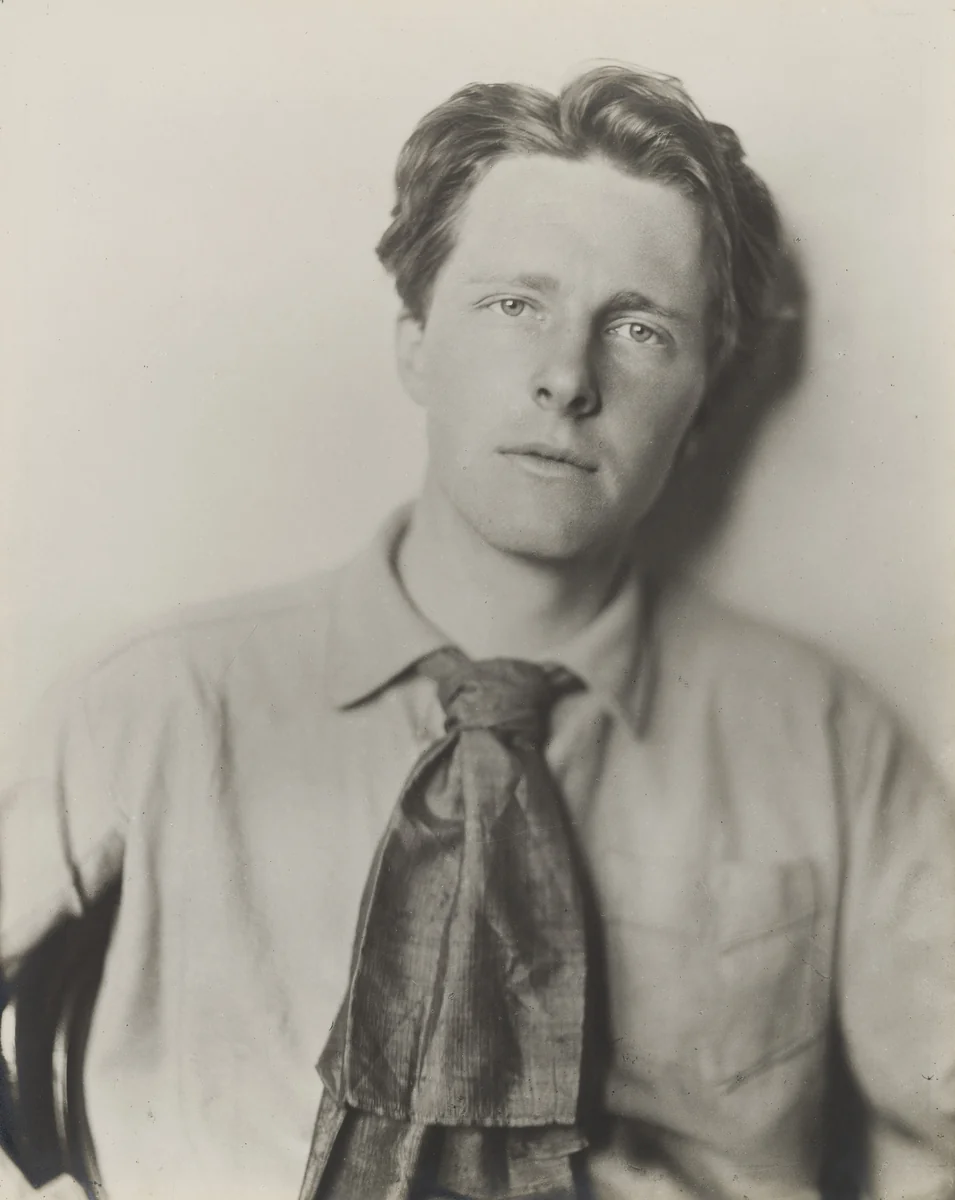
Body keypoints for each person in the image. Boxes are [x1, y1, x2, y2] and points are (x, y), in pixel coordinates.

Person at [1, 64, 952, 1200]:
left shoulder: (828, 743)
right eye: (515, 306)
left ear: (703, 399)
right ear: (415, 340)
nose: (566, 379)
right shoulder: (154, 708)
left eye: (639, 329)